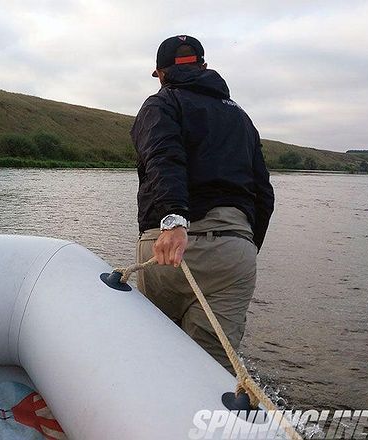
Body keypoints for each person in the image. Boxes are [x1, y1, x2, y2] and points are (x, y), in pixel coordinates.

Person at [131, 35, 275, 373]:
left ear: (160, 74)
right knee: (210, 372)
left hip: (168, 249)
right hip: (234, 251)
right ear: (205, 67)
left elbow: (163, 158)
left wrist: (174, 220)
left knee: (156, 361)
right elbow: (263, 193)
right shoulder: (242, 117)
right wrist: (246, 245)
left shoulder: (160, 105)